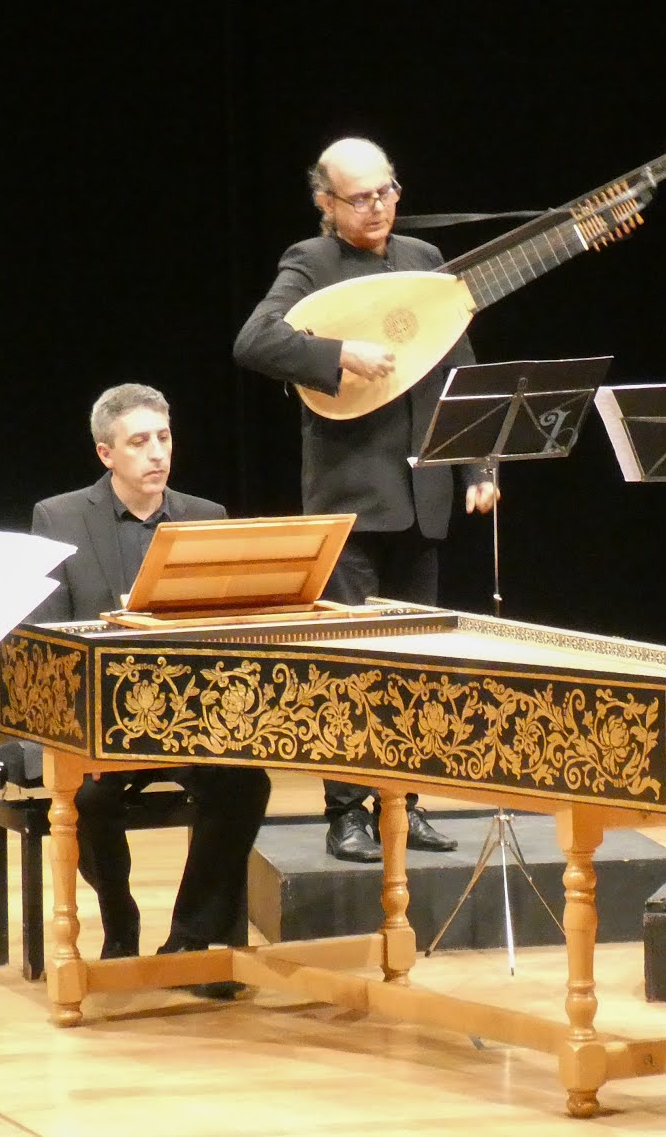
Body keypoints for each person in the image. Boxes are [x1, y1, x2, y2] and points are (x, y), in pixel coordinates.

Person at [233, 136, 495, 862]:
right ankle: (347, 811)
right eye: (359, 197)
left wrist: (476, 467)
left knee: (414, 664)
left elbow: (457, 370)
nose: (377, 207)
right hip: (351, 497)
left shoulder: (425, 263)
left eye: (386, 192)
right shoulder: (310, 264)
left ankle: (402, 805)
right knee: (350, 660)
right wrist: (337, 355)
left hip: (425, 494)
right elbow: (254, 341)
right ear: (326, 204)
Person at [29, 383, 273, 996]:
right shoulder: (59, 517)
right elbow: (50, 635)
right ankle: (119, 920)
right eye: (140, 442)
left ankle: (191, 940)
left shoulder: (205, 517)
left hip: (189, 719)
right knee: (88, 803)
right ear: (106, 453)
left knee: (246, 782)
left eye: (163, 438)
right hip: (101, 719)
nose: (157, 453)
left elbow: (225, 628)